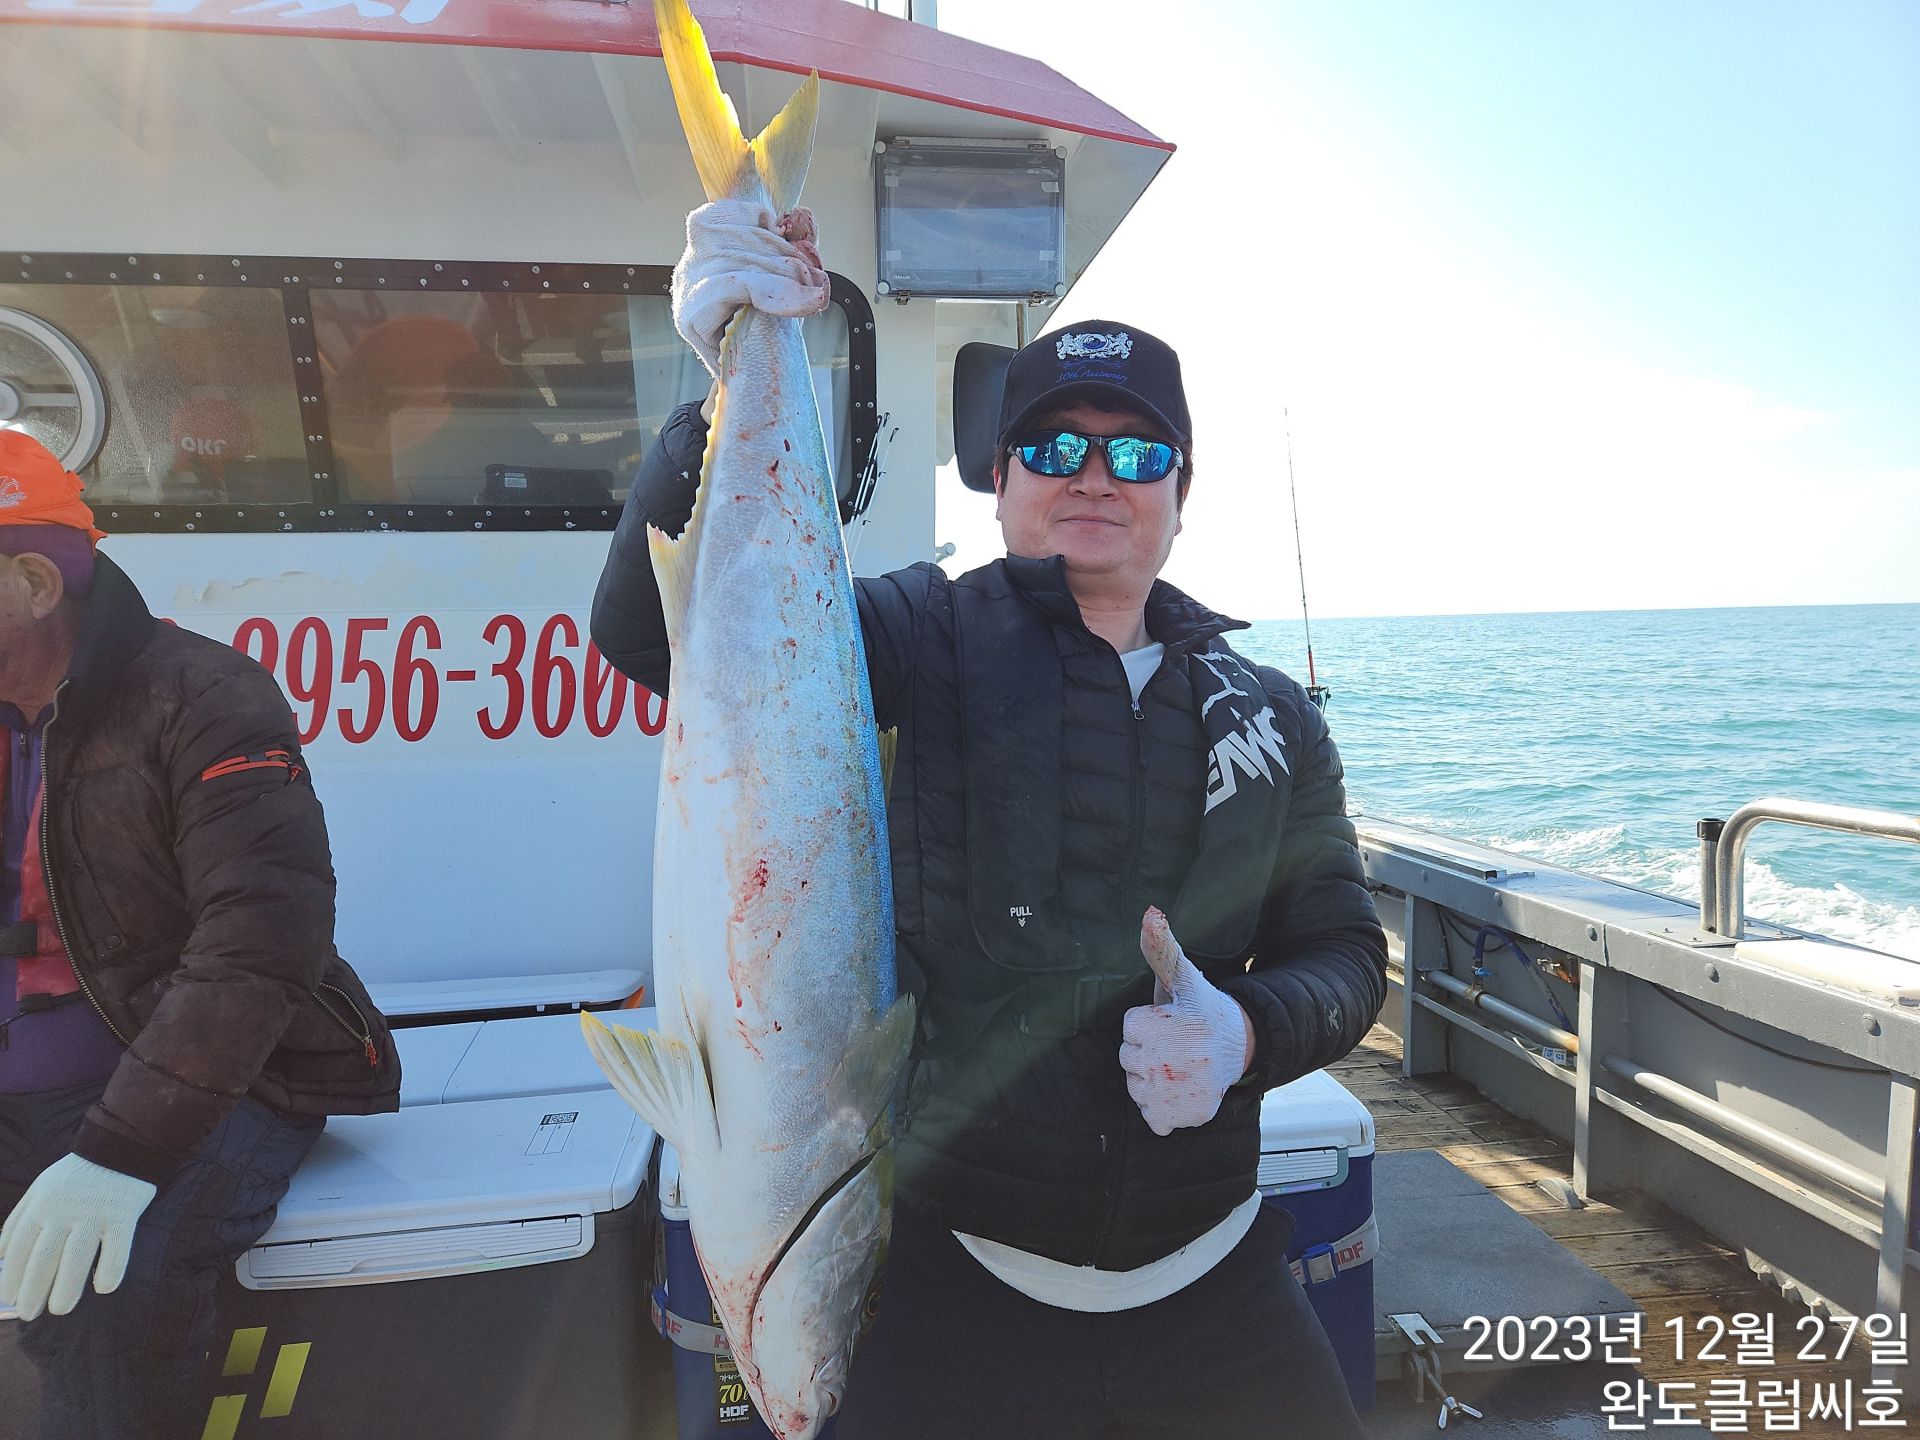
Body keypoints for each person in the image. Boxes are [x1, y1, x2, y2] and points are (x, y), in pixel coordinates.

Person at [592, 204, 1387, 1439]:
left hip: (1218, 1286)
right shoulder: (918, 636)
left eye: (1137, 454)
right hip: (954, 1294)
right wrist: (712, 403)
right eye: (1055, 445)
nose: (1094, 475)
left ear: (1181, 492)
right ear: (1002, 477)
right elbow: (659, 637)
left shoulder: (1269, 714)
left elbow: (1346, 957)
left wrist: (1242, 1034)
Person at [0, 431, 401, 1440]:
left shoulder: (203, 694)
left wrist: (117, 1153)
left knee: (104, 1296)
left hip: (206, 1076)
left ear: (36, 582)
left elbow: (260, 940)